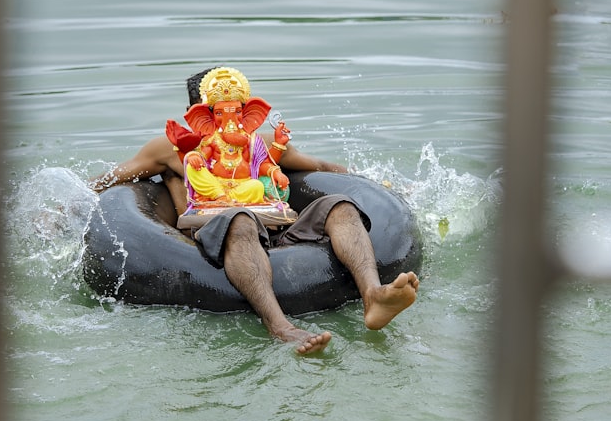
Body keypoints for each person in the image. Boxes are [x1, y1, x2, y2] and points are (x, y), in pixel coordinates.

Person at [90, 67, 419, 354]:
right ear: (196, 113)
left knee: (341, 206)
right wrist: (65, 203)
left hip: (278, 228)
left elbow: (319, 165)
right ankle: (280, 327)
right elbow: (110, 179)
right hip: (219, 235)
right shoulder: (172, 150)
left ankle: (373, 295)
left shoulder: (259, 144)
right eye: (216, 110)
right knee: (240, 220)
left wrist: (384, 186)